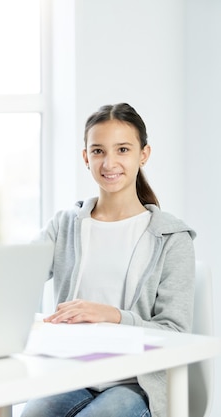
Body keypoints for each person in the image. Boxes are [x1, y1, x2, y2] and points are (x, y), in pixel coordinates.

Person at [21, 103, 196, 417]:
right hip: (73, 373)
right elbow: (14, 274)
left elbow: (176, 332)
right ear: (86, 157)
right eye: (98, 151)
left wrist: (113, 315)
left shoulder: (172, 237)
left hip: (136, 382)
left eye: (123, 149)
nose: (109, 162)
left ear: (143, 154)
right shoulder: (65, 225)